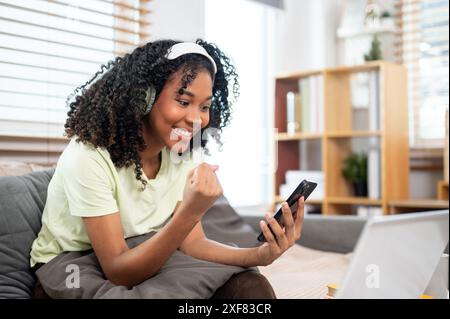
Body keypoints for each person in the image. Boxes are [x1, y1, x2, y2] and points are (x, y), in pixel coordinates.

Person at [30, 39, 305, 299]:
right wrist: (191, 211)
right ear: (144, 97)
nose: (196, 119)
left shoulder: (180, 153)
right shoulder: (89, 156)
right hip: (71, 264)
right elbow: (118, 271)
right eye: (183, 102)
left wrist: (259, 255)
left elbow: (193, 244)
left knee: (248, 285)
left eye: (205, 106)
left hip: (142, 249)